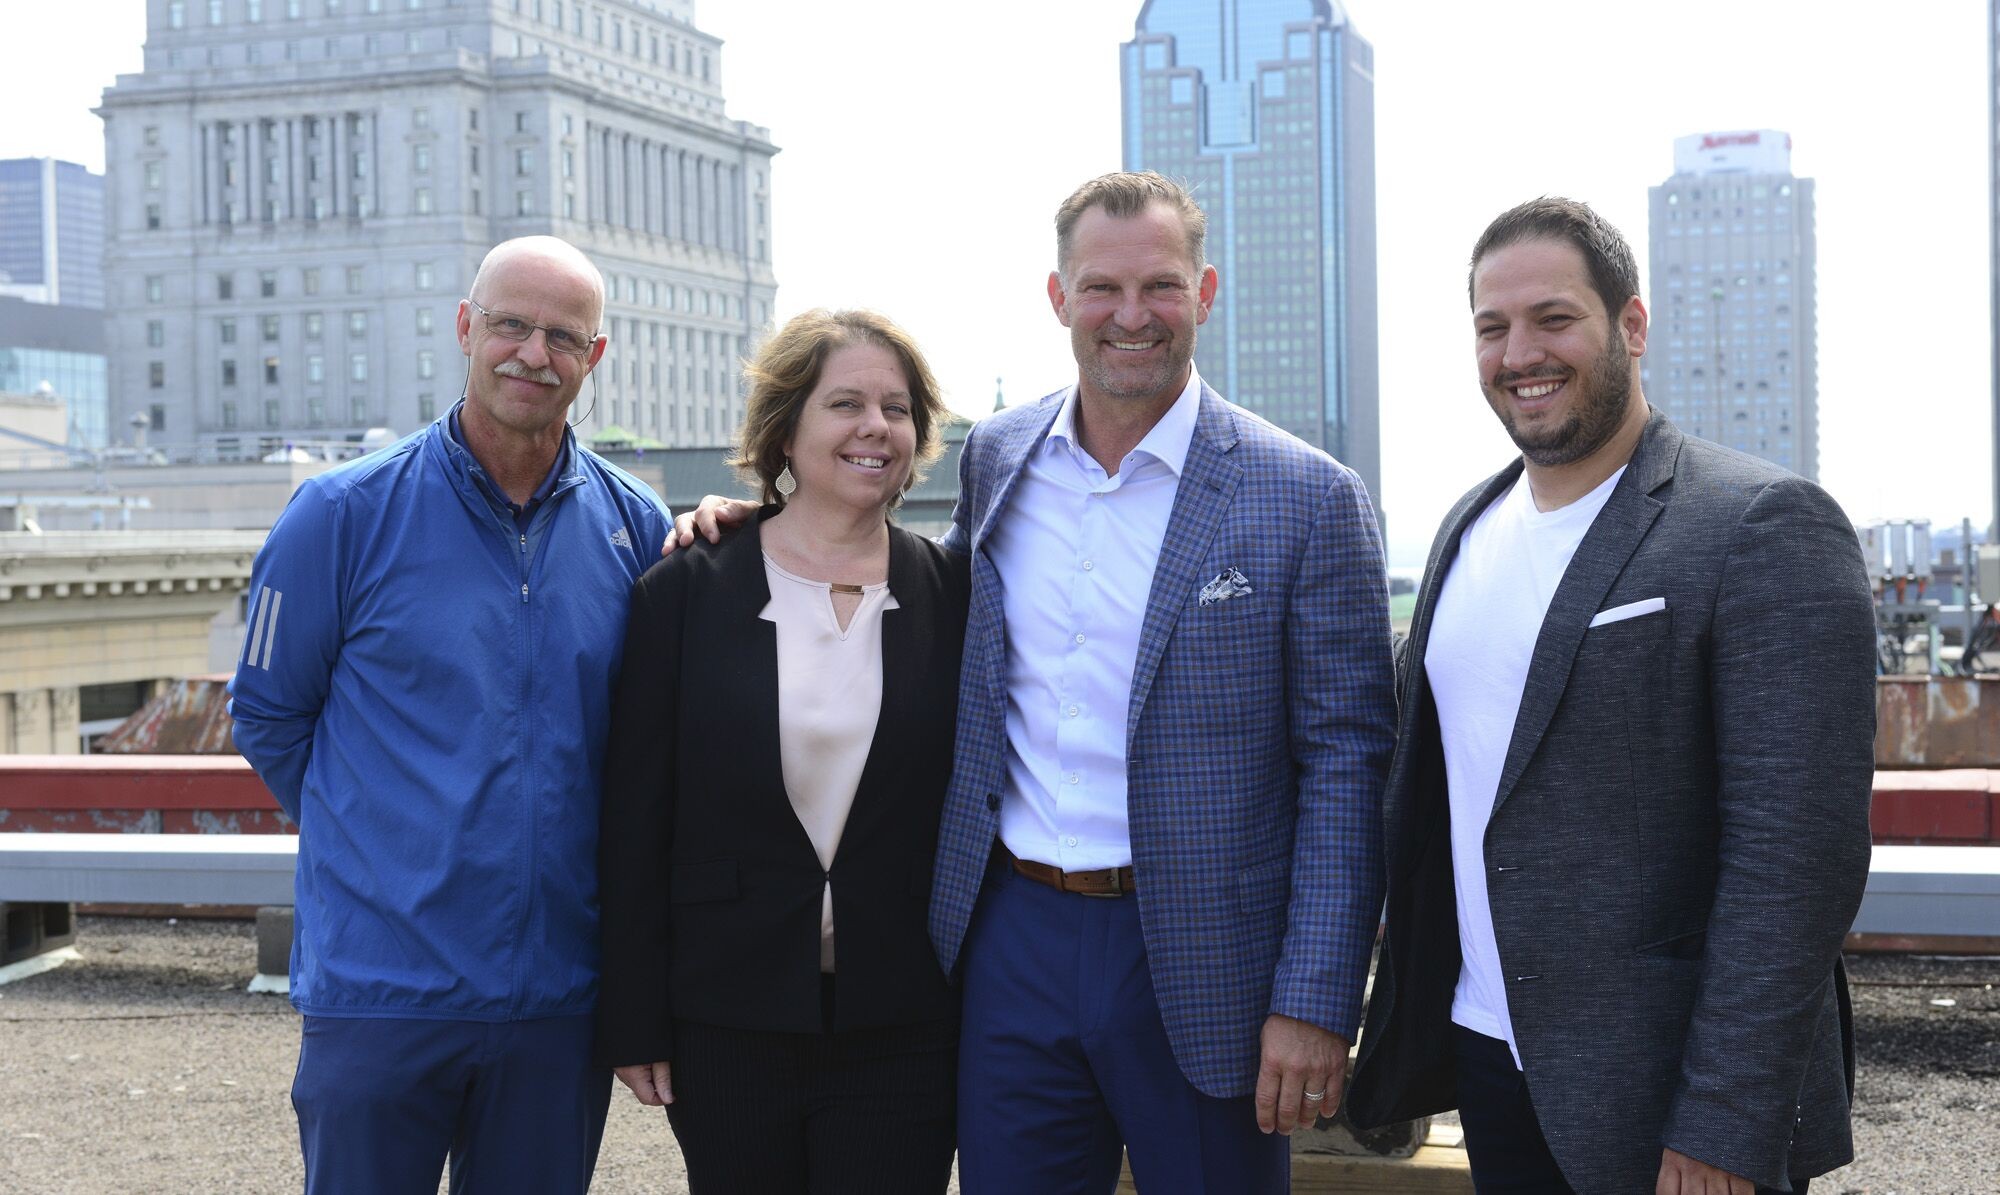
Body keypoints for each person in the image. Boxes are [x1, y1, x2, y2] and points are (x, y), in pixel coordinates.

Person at [670, 171, 1397, 1194]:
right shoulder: (1000, 456)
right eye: (1101, 288)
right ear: (1059, 299)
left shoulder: (1306, 496)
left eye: (1159, 287)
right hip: (1009, 938)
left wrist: (1316, 997)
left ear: (1205, 290)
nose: (1129, 316)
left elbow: (1344, 763)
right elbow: (904, 568)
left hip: (1199, 956)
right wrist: (764, 512)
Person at [1344, 198, 1874, 1195]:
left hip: (1665, 1098)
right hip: (1491, 1057)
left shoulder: (1760, 524)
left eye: (1553, 318)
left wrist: (1722, 1118)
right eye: (1491, 327)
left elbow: (1795, 863)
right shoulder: (1464, 527)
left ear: (1629, 326)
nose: (1518, 352)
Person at [228, 236, 671, 1194]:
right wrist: (384, 838)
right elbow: (268, 714)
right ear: (466, 327)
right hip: (381, 993)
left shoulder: (636, 527)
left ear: (594, 358)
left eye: (563, 335)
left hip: (559, 999)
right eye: (511, 323)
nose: (532, 353)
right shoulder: (339, 514)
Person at [593, 308, 966, 1193]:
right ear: (786, 429)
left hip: (906, 1022)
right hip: (727, 1018)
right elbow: (635, 819)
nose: (876, 426)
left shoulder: (956, 592)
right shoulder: (685, 588)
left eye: (897, 407)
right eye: (845, 403)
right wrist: (634, 1016)